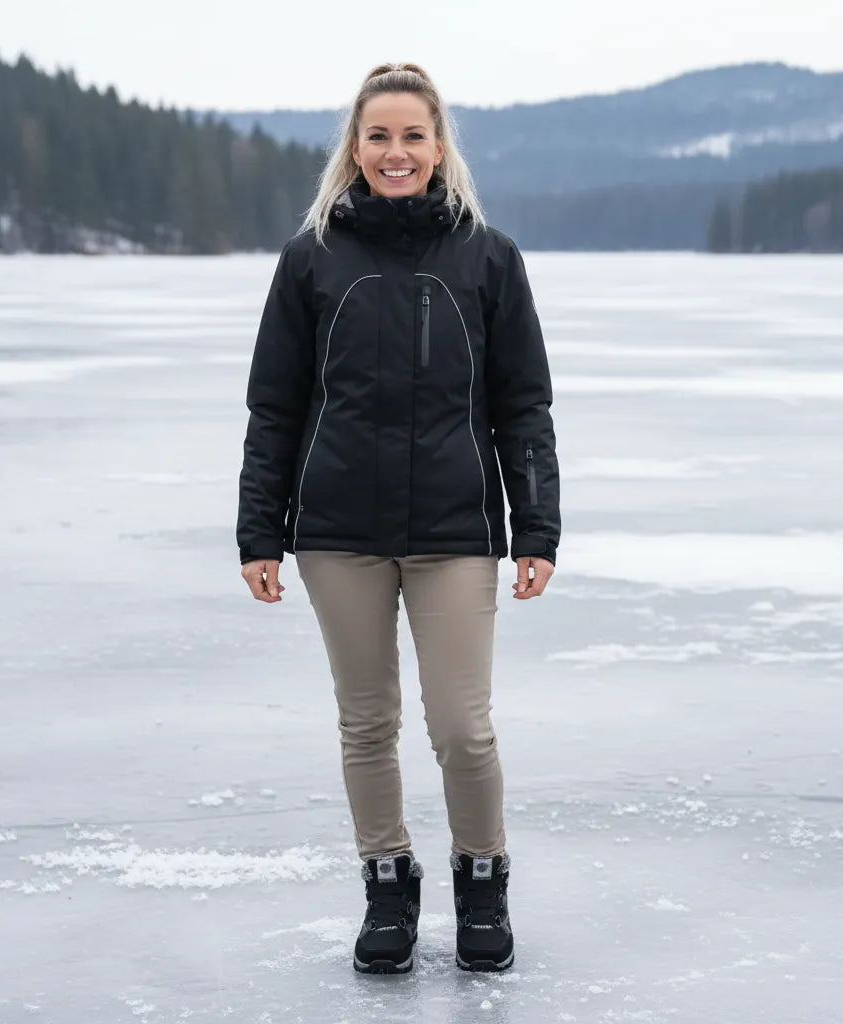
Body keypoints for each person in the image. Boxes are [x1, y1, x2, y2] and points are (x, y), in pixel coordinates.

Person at [237, 62, 559, 975]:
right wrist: (260, 532)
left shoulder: (488, 258)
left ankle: (482, 882)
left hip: (456, 532)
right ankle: (387, 885)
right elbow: (274, 408)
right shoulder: (311, 260)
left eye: (413, 135)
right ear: (354, 148)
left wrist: (535, 527)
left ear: (440, 146)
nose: (396, 152)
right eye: (377, 135)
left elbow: (523, 406)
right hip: (337, 533)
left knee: (462, 726)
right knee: (366, 722)